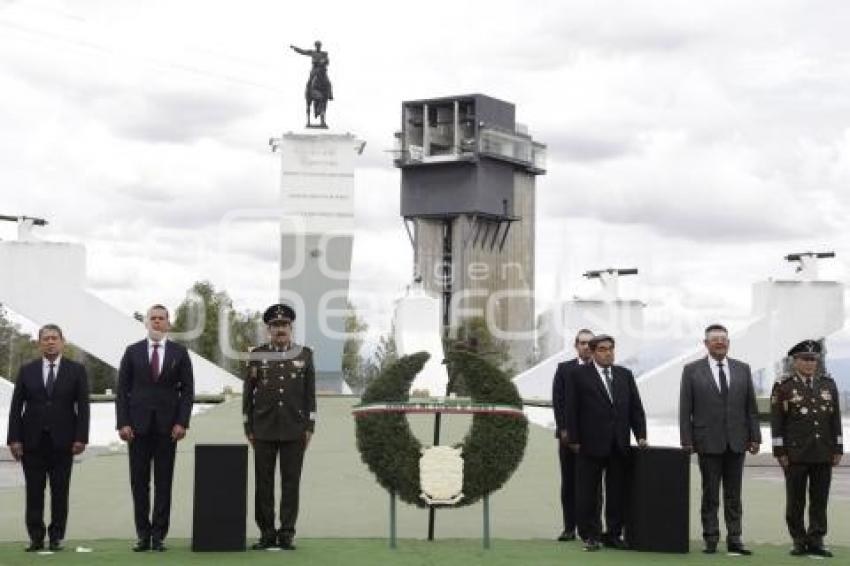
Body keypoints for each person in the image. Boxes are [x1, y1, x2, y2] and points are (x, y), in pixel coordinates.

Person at [116, 304, 194, 552]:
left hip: (168, 427)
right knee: (139, 482)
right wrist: (123, 422)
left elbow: (187, 391)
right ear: (146, 322)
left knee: (163, 482)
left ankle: (159, 536)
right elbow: (122, 391)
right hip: (136, 429)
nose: (157, 322)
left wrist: (182, 422)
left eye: (162, 318)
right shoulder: (132, 352)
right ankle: (143, 534)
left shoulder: (180, 353)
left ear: (168, 323)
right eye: (153, 318)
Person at [6, 324, 89, 552]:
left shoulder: (76, 370)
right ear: (39, 343)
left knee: (60, 492)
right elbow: (15, 408)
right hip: (32, 442)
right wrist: (14, 439)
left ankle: (56, 537)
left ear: (62, 342)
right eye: (46, 338)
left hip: (64, 442)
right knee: (34, 492)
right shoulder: (27, 370)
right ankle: (35, 537)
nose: (50, 342)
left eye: (54, 338)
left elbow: (83, 407)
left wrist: (81, 437)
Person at [679, 323, 760, 555]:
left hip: (737, 441)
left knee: (734, 495)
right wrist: (687, 440)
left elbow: (751, 408)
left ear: (728, 343)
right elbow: (686, 409)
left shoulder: (743, 369)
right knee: (710, 494)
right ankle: (711, 538)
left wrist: (755, 436)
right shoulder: (691, 370)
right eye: (714, 339)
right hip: (707, 441)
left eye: (723, 338)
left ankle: (735, 538)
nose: (720, 342)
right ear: (706, 344)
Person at [244, 303, 316, 550]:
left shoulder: (305, 354)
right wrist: (248, 426)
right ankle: (266, 533)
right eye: (275, 326)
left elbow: (310, 396)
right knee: (263, 484)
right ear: (269, 329)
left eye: (284, 325)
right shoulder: (257, 354)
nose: (280, 329)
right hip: (263, 429)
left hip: (294, 430)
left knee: (290, 483)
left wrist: (310, 426)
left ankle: (286, 533)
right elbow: (248, 393)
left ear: (290, 327)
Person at [565, 334, 647, 552]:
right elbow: (571, 409)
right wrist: (573, 440)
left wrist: (640, 435)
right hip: (589, 445)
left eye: (610, 348)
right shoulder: (578, 375)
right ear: (592, 353)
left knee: (617, 493)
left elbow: (636, 409)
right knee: (588, 494)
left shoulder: (625, 375)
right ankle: (591, 535)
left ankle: (613, 534)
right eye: (602, 349)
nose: (608, 352)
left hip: (619, 445)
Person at [771, 339, 843, 557]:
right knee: (796, 501)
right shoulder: (784, 386)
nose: (810, 363)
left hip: (823, 452)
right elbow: (777, 423)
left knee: (819, 500)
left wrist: (838, 448)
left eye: (813, 359)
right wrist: (780, 452)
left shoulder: (828, 384)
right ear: (795, 361)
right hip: (795, 455)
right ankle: (799, 540)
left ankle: (817, 540)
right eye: (805, 359)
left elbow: (835, 420)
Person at [551, 328, 594, 541]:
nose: (586, 346)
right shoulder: (564, 369)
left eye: (589, 343)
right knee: (569, 483)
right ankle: (569, 528)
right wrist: (564, 431)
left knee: (592, 485)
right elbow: (558, 402)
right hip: (568, 438)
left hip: (594, 438)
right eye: (582, 342)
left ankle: (591, 529)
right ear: (576, 345)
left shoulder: (602, 370)